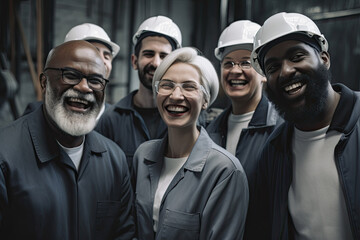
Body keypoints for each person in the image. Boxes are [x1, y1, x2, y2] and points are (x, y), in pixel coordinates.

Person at [0, 40, 134, 239]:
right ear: (44, 82)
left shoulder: (114, 160)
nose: (84, 87)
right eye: (71, 76)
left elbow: (124, 235)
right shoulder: (5, 155)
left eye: (95, 81)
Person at [245, 12, 360, 239]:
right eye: (273, 66)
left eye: (297, 56)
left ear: (324, 59)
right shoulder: (275, 149)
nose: (286, 71)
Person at [133, 47, 249, 239]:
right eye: (167, 85)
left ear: (205, 100)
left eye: (189, 87)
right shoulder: (143, 156)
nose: (176, 96)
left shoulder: (225, 171)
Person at [96, 16, 182, 171]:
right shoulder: (111, 119)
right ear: (134, 61)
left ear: (175, 65)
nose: (156, 63)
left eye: (164, 56)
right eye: (149, 54)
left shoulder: (185, 118)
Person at [206, 20, 282, 189]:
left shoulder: (280, 128)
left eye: (246, 63)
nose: (235, 70)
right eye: (228, 63)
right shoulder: (210, 130)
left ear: (263, 73)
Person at [23, 23, 119, 116]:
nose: (101, 61)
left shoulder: (115, 118)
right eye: (93, 53)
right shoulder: (37, 113)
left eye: (107, 57)